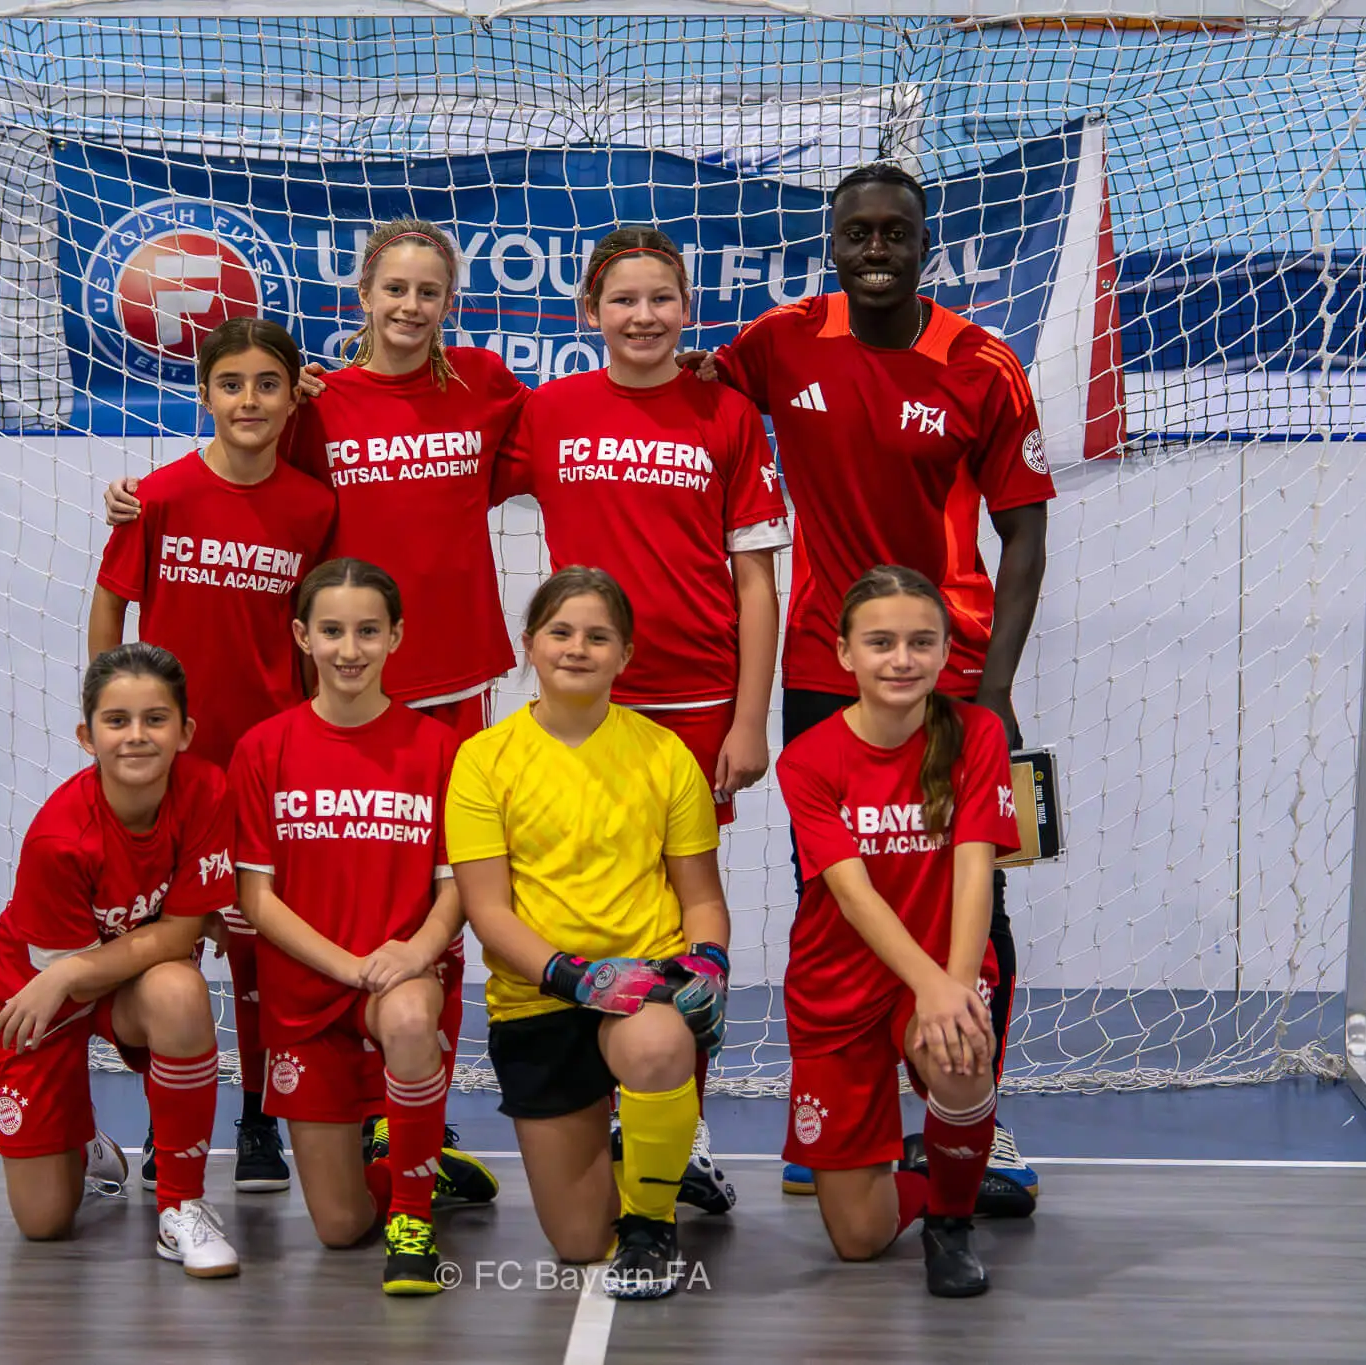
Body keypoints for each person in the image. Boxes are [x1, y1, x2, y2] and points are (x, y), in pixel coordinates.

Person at [684, 162, 1055, 1210]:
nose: (878, 249)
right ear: (833, 243)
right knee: (832, 896)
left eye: (897, 232)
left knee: (974, 897)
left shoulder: (983, 365)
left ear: (926, 244)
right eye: (860, 233)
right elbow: (690, 390)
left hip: (953, 674)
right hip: (819, 666)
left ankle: (970, 1103)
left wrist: (993, 690)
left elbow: (1025, 534)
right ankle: (835, 1114)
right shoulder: (783, 339)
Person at [500, 225, 790, 1215]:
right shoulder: (547, 411)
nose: (642, 315)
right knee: (581, 893)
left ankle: (679, 1117)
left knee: (677, 912)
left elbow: (756, 580)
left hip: (695, 703)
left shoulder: (727, 413)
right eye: (622, 299)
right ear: (589, 311)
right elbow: (436, 466)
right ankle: (598, 1098)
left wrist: (749, 719)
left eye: (661, 297)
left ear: (686, 307)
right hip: (583, 697)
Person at [107, 218, 527, 741]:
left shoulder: (480, 379)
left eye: (428, 293)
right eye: (395, 289)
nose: (410, 306)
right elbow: (244, 489)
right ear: (365, 294)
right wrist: (141, 498)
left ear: (448, 305)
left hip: (455, 667)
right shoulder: (315, 404)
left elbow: (560, 438)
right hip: (346, 669)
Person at [89, 316, 335, 1195]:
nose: (248, 400)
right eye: (231, 384)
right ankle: (173, 1125)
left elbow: (319, 633)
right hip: (175, 770)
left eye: (268, 384)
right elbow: (112, 601)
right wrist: (114, 722)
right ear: (204, 395)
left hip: (267, 765)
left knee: (261, 956)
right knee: (172, 955)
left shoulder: (313, 507)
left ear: (292, 396)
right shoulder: (156, 496)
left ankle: (260, 1120)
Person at [447, 567, 731, 1300]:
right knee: (578, 1242)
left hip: (642, 986)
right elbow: (487, 910)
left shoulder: (665, 753)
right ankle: (654, 1153)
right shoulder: (482, 759)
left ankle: (653, 1222)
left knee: (658, 1045)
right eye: (561, 632)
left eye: (598, 636)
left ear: (624, 655)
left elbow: (702, 896)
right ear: (529, 644)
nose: (578, 648)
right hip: (540, 996)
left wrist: (709, 962)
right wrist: (573, 975)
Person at [231, 557, 499, 1296]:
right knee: (341, 1225)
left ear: (396, 636)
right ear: (302, 636)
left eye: (368, 631)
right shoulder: (263, 748)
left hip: (401, 976)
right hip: (307, 990)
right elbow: (256, 898)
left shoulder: (439, 748)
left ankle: (413, 1216)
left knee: (409, 1016)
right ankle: (416, 1165)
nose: (350, 649)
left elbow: (456, 887)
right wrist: (346, 965)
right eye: (332, 631)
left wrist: (414, 952)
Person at [776, 566, 1020, 1296]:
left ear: (946, 652)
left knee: (961, 1048)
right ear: (845, 652)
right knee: (859, 1240)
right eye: (880, 642)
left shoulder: (976, 732)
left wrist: (952, 987)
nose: (902, 659)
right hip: (838, 980)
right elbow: (852, 895)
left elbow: (975, 871)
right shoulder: (807, 758)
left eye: (921, 642)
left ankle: (951, 1220)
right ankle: (933, 1169)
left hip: (945, 963)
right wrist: (930, 984)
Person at [0, 643, 239, 1278]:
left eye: (156, 719)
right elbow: (82, 966)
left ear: (185, 732)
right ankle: (78, 1139)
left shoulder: (207, 790)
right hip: (35, 998)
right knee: (44, 1224)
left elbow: (180, 937)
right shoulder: (59, 839)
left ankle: (181, 1207)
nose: (137, 735)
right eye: (117, 721)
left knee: (179, 993)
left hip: (108, 980)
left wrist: (81, 967)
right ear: (87, 737)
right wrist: (70, 971)